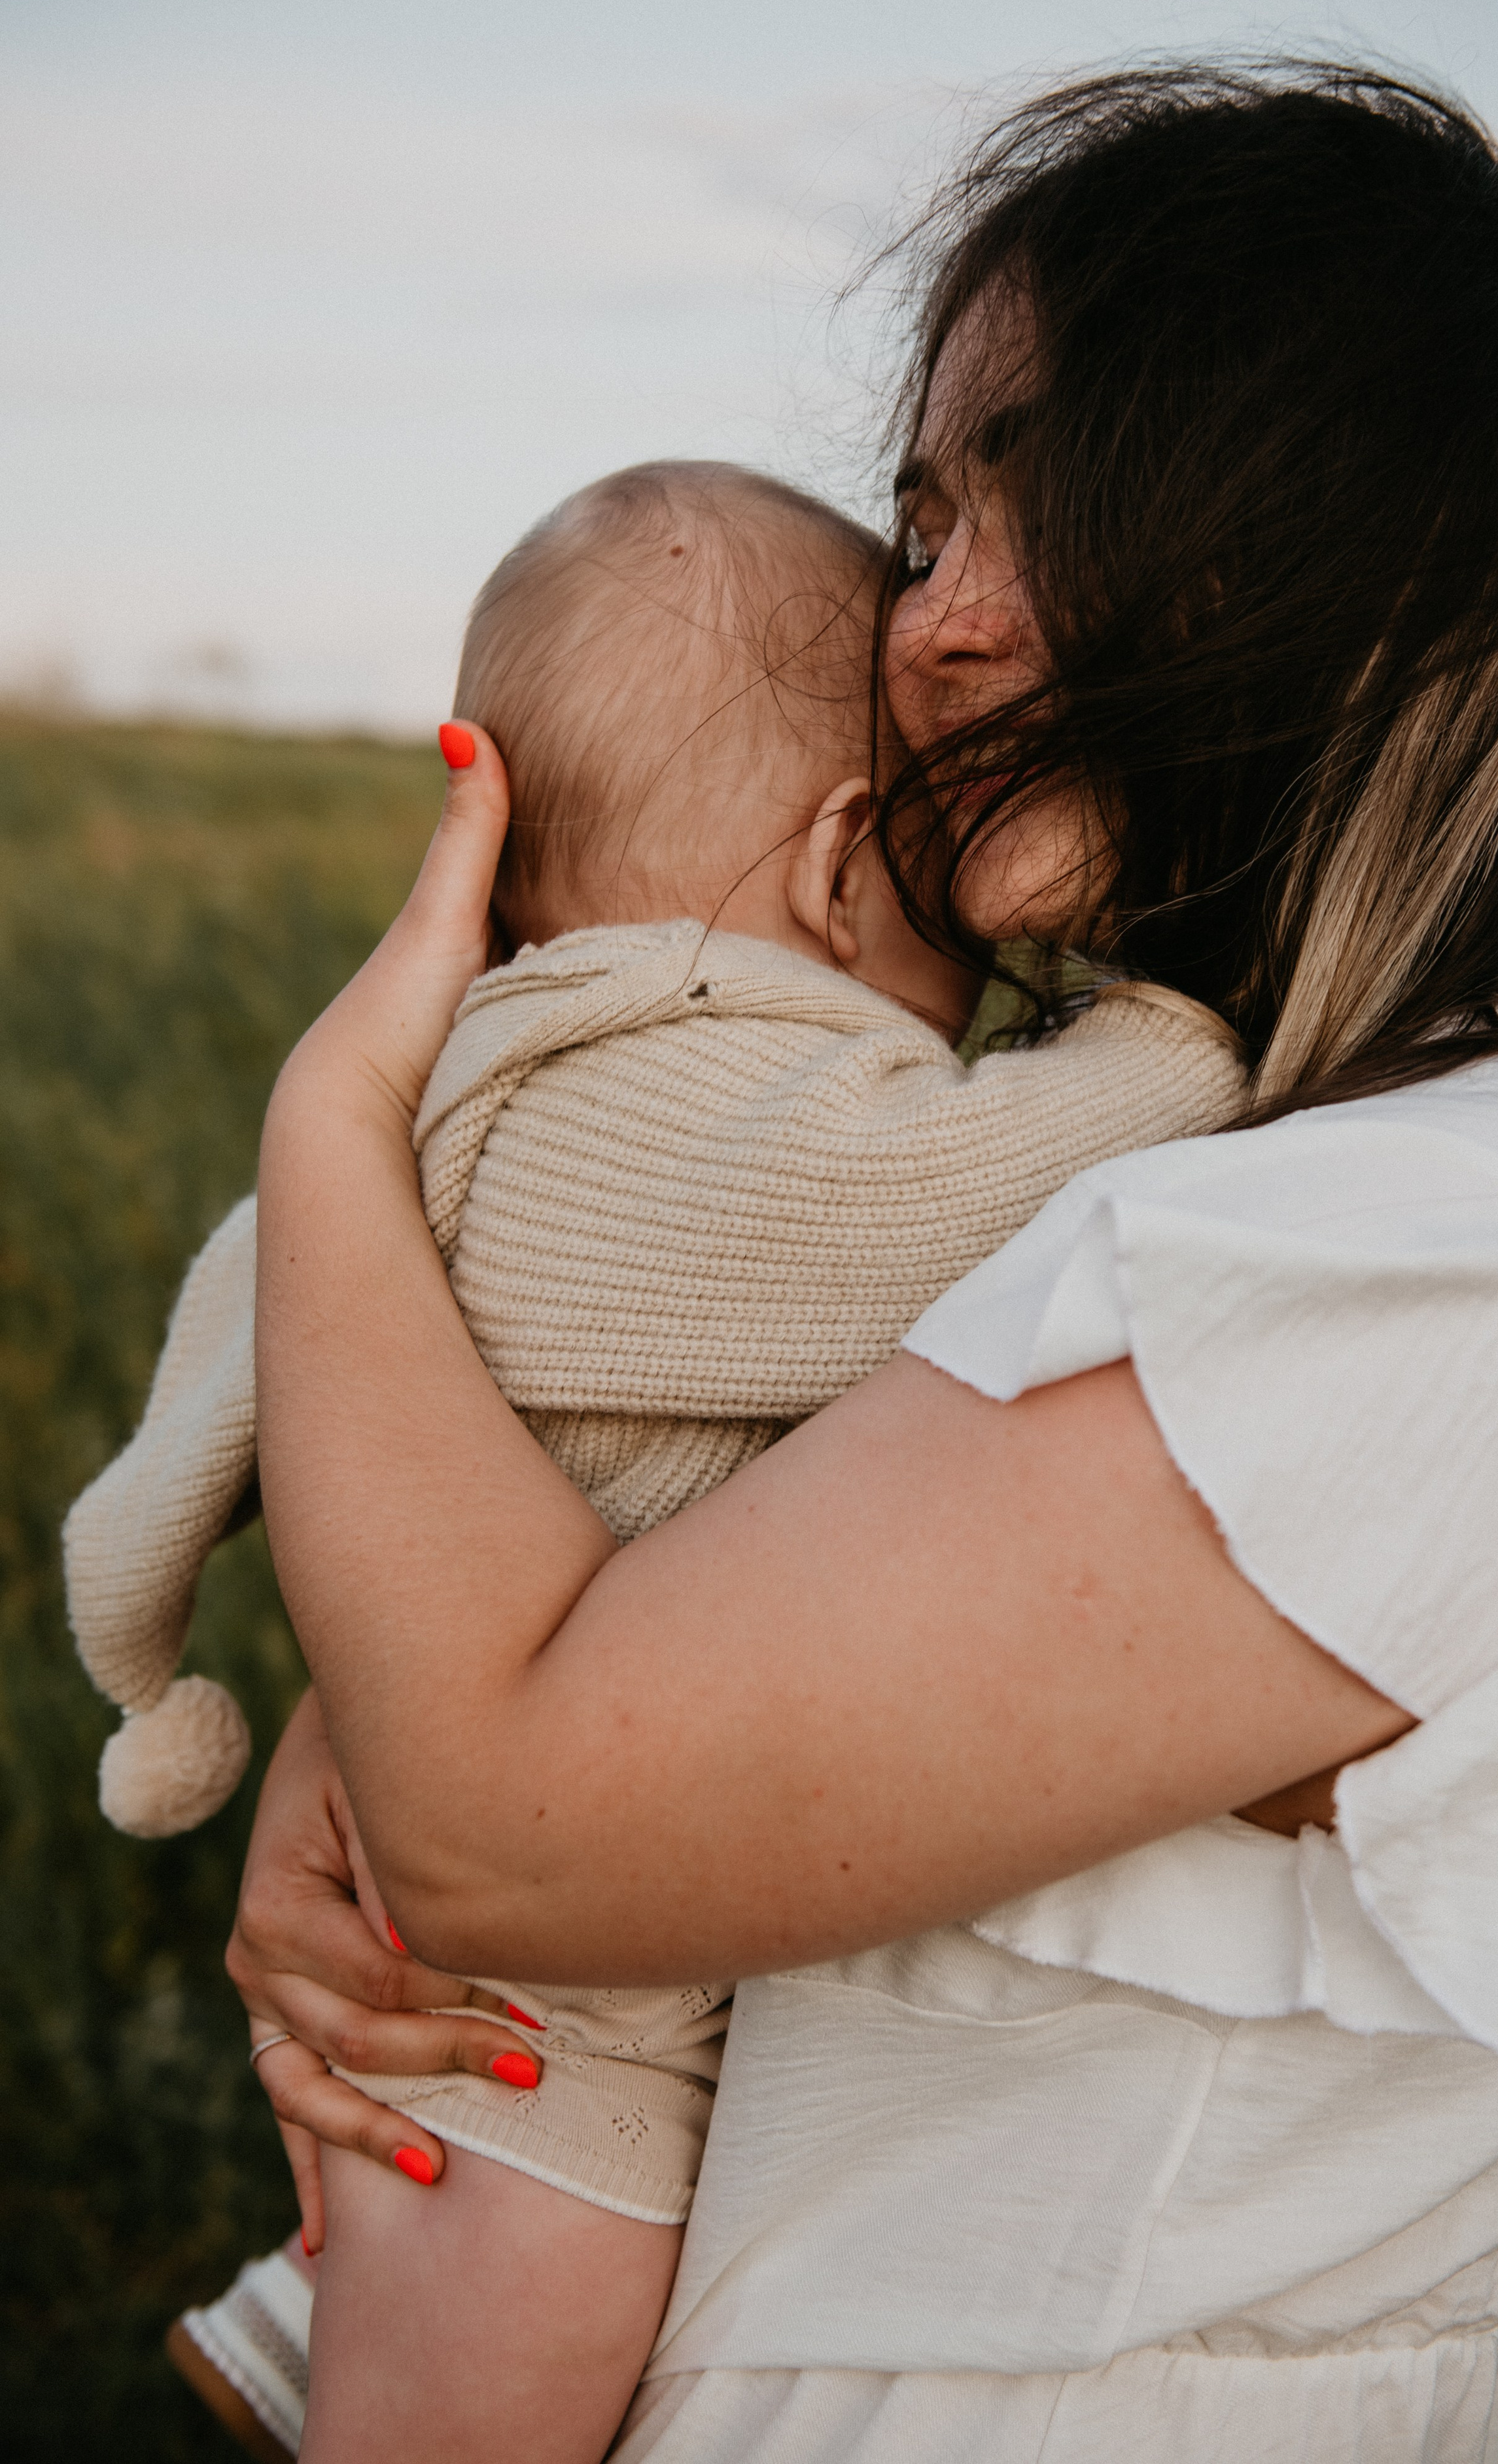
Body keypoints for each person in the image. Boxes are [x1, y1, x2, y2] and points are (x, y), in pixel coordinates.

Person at [226, 64, 1498, 2463]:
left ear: (1373, 564)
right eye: (925, 519)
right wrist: (366, 1717)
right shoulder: (1367, 1155)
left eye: (1066, 512)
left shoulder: (1476, 1242)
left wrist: (338, 1116)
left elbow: (505, 1805)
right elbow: (734, 1617)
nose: (937, 634)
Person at [70, 460, 1241, 2459]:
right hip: (563, 2014)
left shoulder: (479, 1060)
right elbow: (955, 1206)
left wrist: (151, 1619)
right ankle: (361, 2361)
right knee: (514, 2342)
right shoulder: (709, 1092)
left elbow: (242, 1321)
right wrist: (1172, 1041)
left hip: (522, 1890)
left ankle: (332, 2313)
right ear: (847, 860)